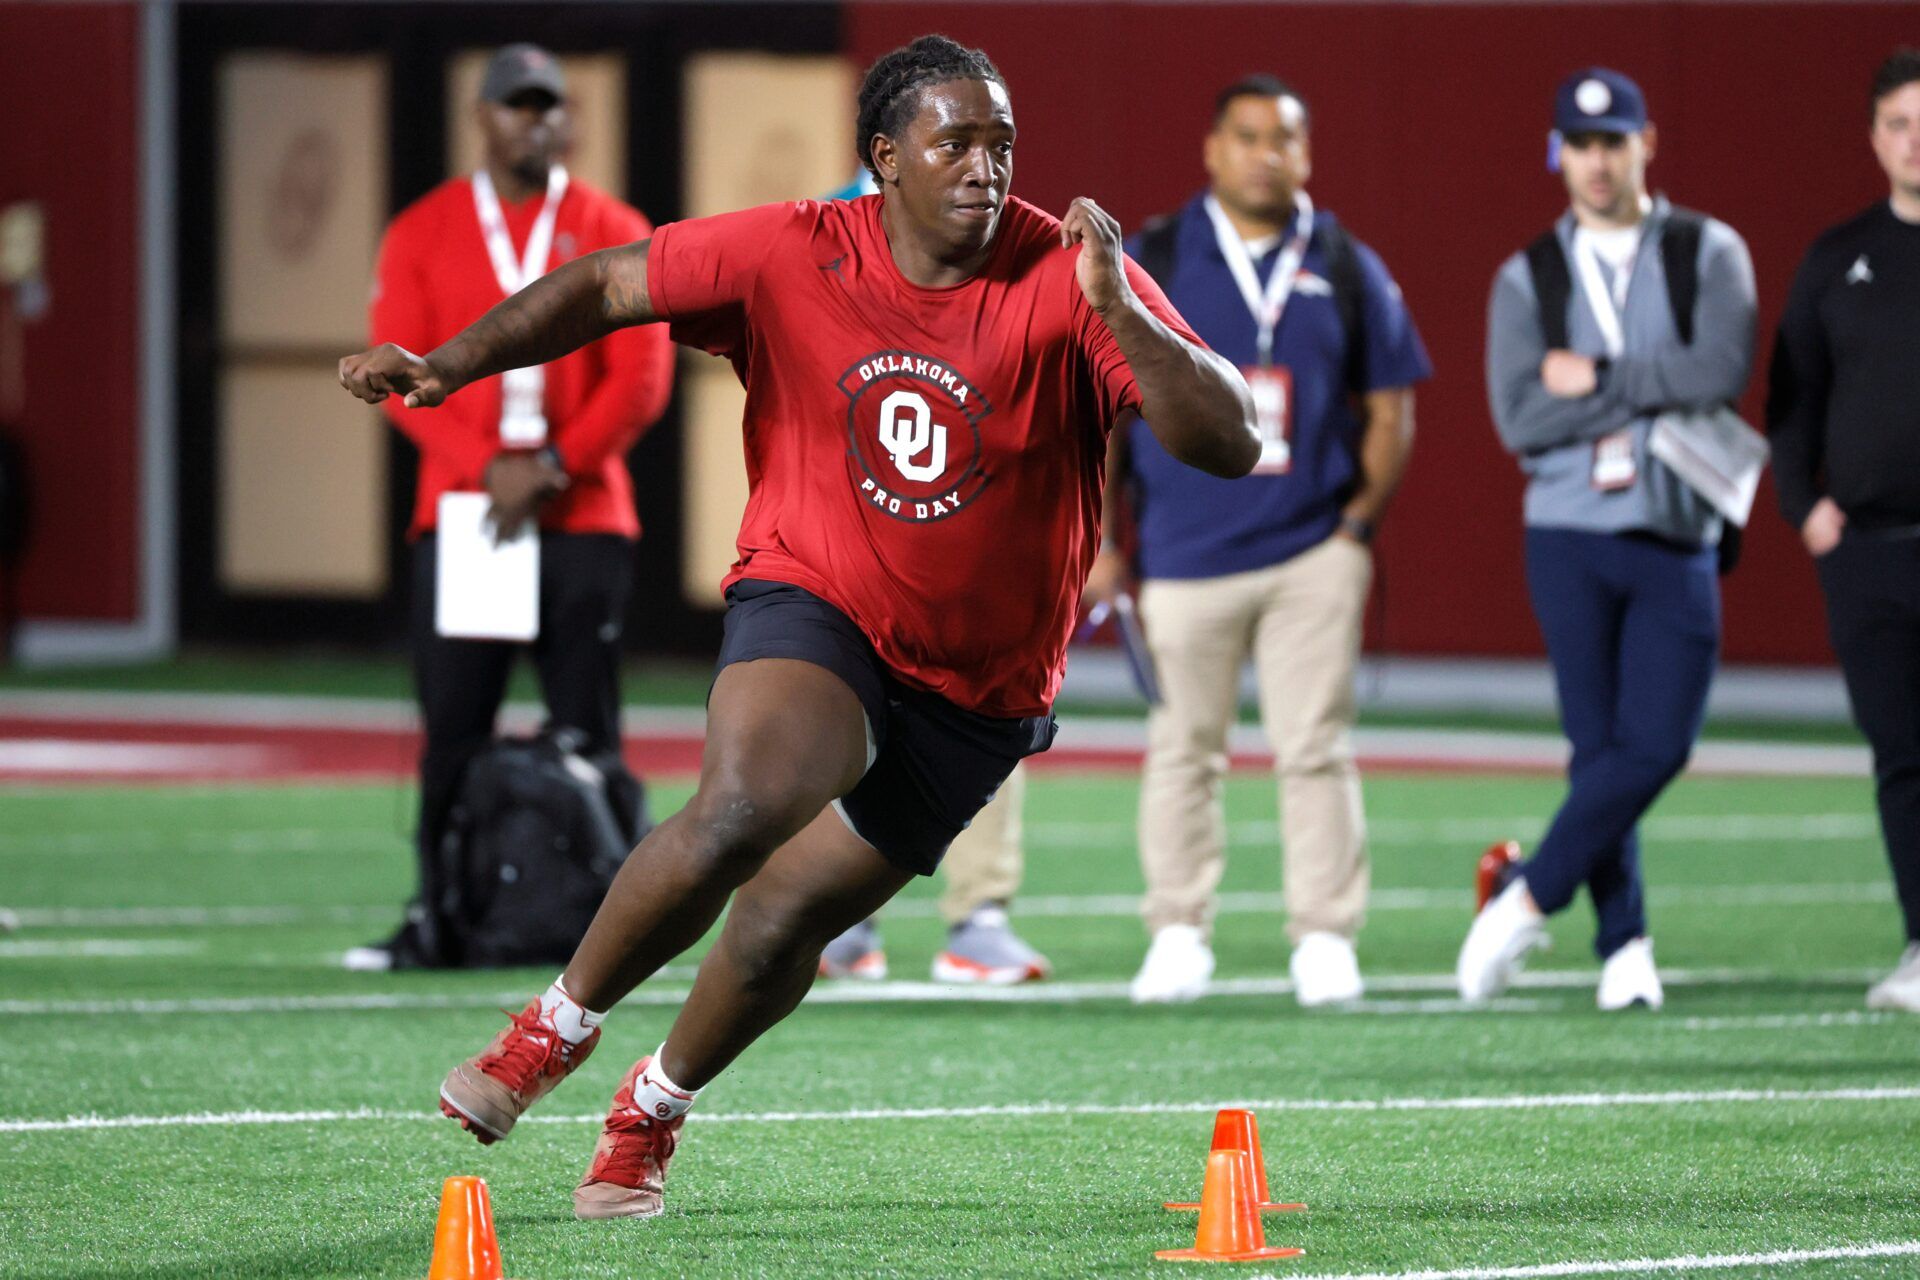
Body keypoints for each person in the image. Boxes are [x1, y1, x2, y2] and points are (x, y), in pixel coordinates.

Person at [337, 35, 1256, 1219]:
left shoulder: (1066, 269)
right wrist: (451, 365)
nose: (987, 166)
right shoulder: (795, 245)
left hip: (981, 683)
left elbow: (1227, 439)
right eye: (955, 141)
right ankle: (551, 1025)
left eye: (1003, 143)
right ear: (884, 157)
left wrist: (1122, 306)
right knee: (742, 805)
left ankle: (649, 1111)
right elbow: (607, 283)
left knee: (782, 923)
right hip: (818, 593)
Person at [1089, 76, 1430, 1007]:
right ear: (1212, 149)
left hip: (1309, 550)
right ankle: (1178, 931)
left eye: (1283, 138)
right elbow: (1108, 415)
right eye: (1246, 137)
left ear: (1306, 153)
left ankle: (1324, 935)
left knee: (1315, 748)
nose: (1265, 154)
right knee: (1181, 748)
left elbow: (1392, 408)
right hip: (1182, 553)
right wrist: (1106, 545)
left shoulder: (1348, 264)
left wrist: (1354, 530)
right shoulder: (1156, 254)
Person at [344, 45, 674, 971]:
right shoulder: (422, 230)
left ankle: (611, 937)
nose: (539, 121)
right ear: (481, 118)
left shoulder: (610, 223)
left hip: (583, 516)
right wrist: (488, 465)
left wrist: (556, 463)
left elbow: (642, 378)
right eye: (519, 107)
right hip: (468, 516)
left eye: (552, 107)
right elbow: (401, 368)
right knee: (452, 728)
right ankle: (437, 918)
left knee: (590, 733)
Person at [1463, 67, 1756, 1008]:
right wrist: (1646, 383)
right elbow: (1519, 418)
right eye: (1581, 145)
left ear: (1647, 144)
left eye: (1614, 142)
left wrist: (1590, 377)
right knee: (1598, 748)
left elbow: (1716, 371)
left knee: (1658, 743)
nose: (1597, 162)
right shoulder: (1527, 275)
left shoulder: (1706, 250)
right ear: (1561, 152)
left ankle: (1525, 895)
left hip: (1675, 530)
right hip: (1567, 533)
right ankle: (1624, 948)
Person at [813, 170, 1049, 986]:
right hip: (858, 539)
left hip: (971, 537)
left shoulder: (1004, 237)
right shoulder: (830, 229)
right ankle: (842, 918)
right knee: (836, 727)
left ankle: (978, 917)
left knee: (984, 716)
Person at [1769, 48, 1920, 1014]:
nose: (1917, 140)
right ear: (1874, 138)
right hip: (1869, 553)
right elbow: (1791, 401)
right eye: (1900, 123)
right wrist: (1806, 510)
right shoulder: (1837, 257)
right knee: (1904, 755)